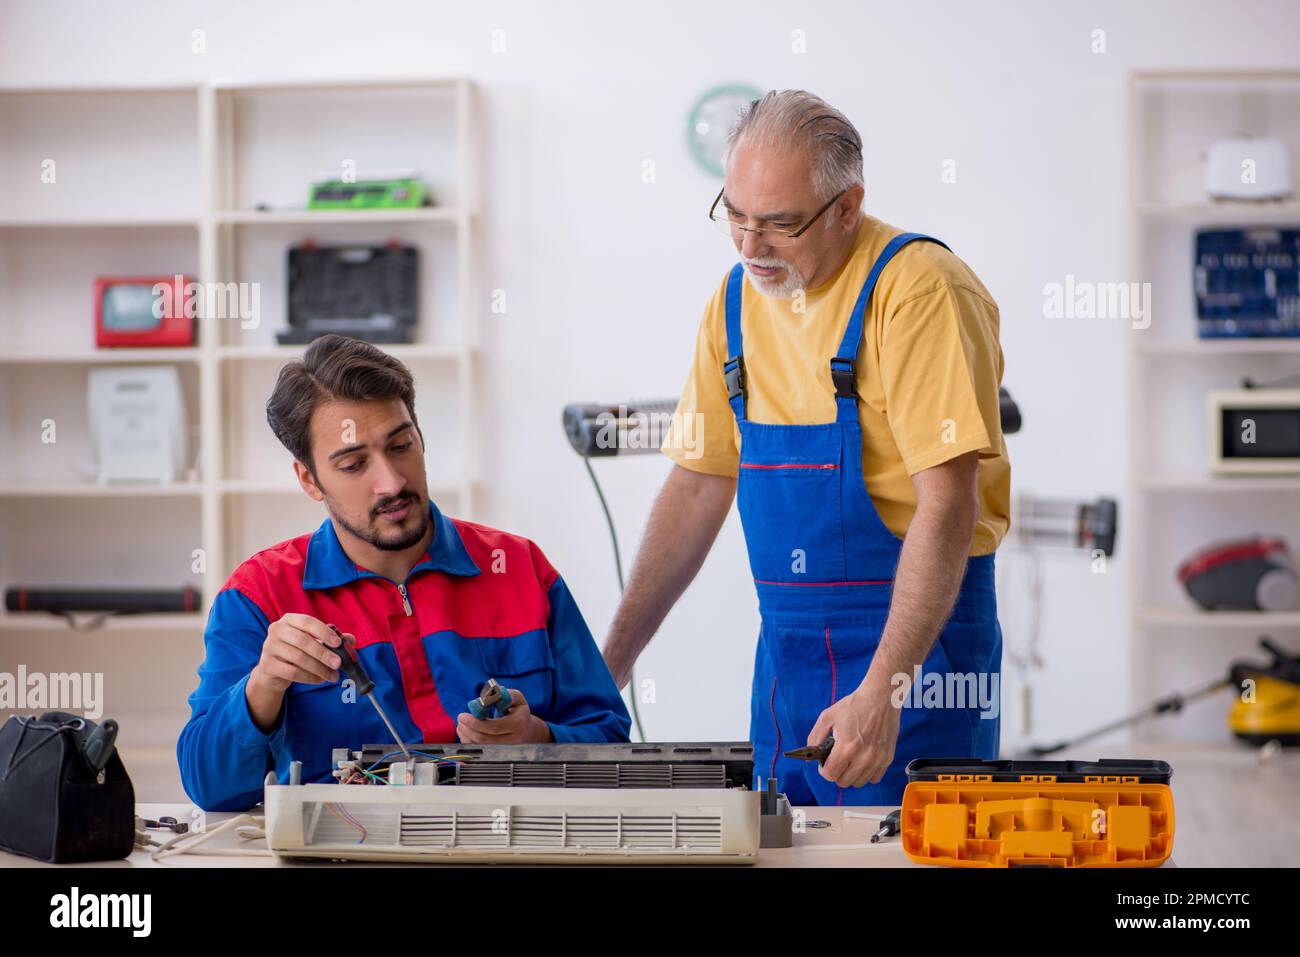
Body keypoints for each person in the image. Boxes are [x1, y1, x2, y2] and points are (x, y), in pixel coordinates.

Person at [602, 90, 1011, 805]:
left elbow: (946, 501)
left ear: (848, 206)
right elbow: (697, 485)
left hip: (921, 651)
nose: (750, 247)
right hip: (787, 658)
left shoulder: (917, 292)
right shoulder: (732, 306)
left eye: (780, 225)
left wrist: (885, 688)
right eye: (734, 216)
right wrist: (609, 664)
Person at [178, 335, 630, 811]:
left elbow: (614, 743)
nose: (392, 482)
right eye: (353, 465)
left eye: (401, 446)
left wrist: (539, 738)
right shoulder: (259, 595)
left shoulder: (520, 569)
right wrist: (264, 685)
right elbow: (211, 789)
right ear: (309, 479)